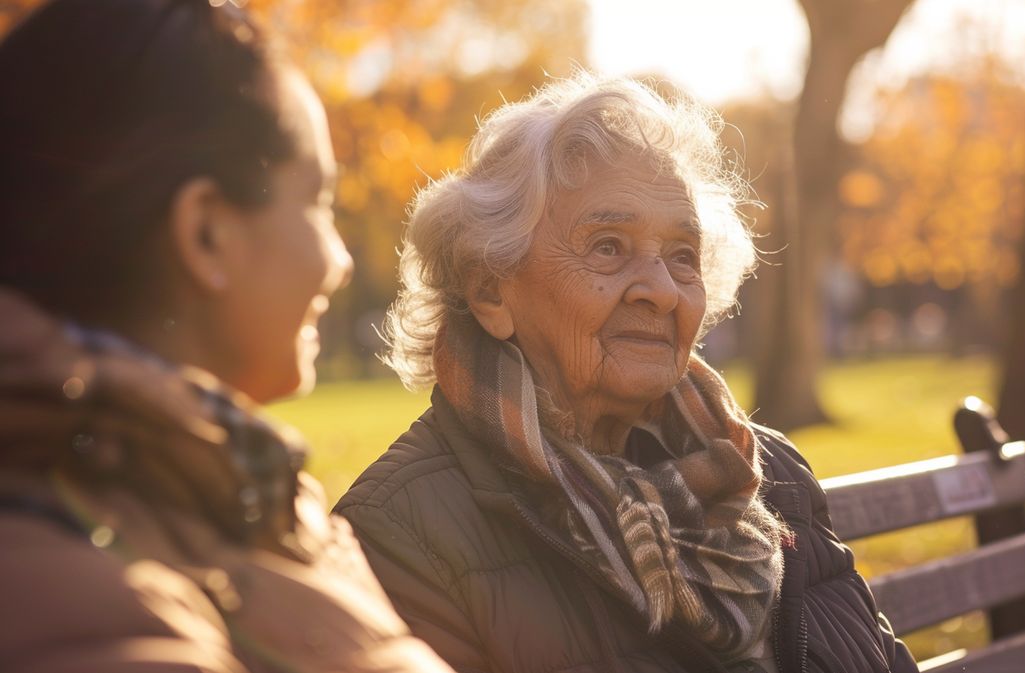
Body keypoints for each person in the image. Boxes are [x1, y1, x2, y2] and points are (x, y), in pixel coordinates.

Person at [334, 74, 919, 673]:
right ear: (490, 290)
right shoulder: (400, 533)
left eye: (682, 257)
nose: (662, 291)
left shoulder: (767, 473)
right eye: (608, 247)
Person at [0, 1, 452, 671]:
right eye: (319, 202)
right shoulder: (100, 593)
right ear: (207, 233)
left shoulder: (249, 502)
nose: (342, 258)